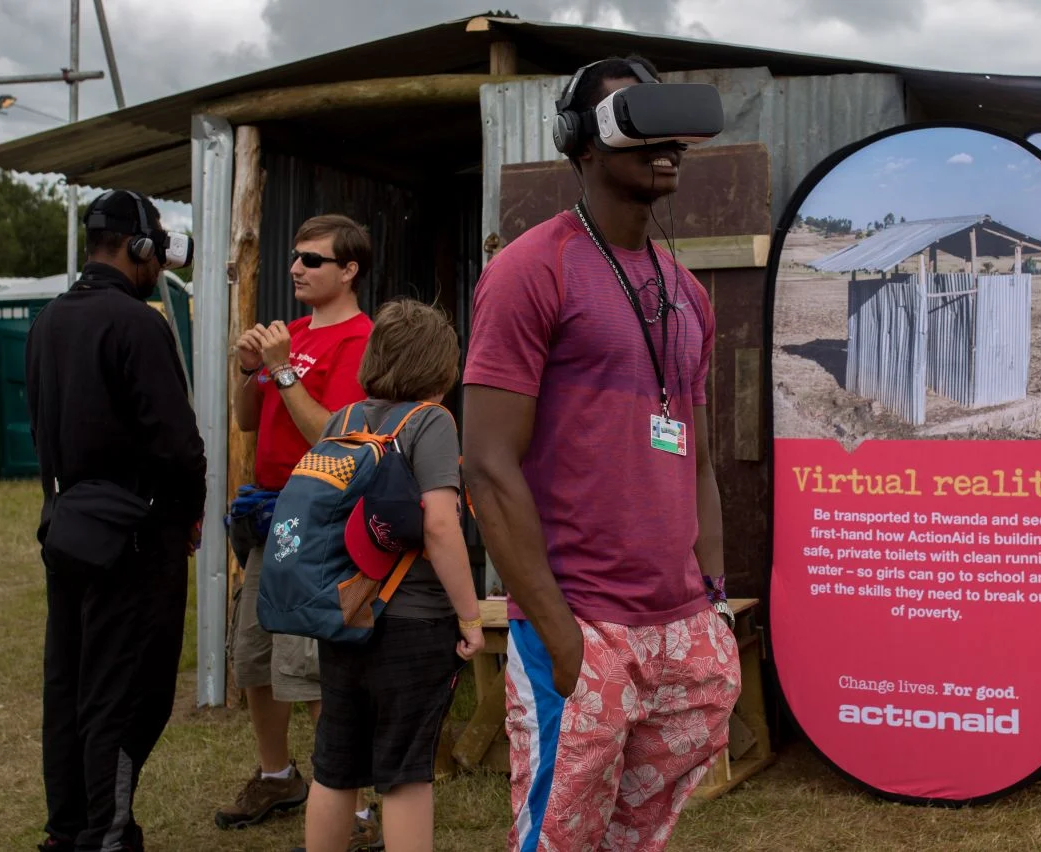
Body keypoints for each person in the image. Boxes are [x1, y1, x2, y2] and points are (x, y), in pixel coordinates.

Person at [461, 56, 741, 852]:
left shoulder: (686, 292)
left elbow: (698, 459)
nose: (666, 143)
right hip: (581, 621)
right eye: (634, 118)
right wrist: (558, 634)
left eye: (670, 125)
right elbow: (486, 462)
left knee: (637, 838)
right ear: (579, 143)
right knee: (556, 838)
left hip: (680, 627)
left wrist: (713, 604)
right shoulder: (531, 271)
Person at [27, 189, 206, 852]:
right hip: (136, 539)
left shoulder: (49, 321)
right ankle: (106, 833)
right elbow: (178, 445)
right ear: (139, 250)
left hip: (69, 529)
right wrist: (189, 512)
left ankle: (68, 828)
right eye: (156, 250)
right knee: (127, 694)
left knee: (70, 685)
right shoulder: (137, 324)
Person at [298, 297, 485, 852]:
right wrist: (471, 617)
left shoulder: (343, 419)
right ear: (441, 366)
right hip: (415, 621)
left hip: (347, 613)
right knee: (405, 771)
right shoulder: (431, 421)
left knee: (336, 764)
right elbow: (440, 527)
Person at [216, 214, 378, 844]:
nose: (297, 269)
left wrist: (283, 370)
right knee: (253, 652)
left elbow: (334, 439)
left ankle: (354, 803)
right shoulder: (298, 333)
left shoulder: (360, 341)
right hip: (268, 513)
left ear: (349, 270)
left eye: (313, 260)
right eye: (295, 258)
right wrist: (249, 368)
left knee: (310, 663)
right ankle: (278, 775)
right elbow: (247, 420)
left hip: (318, 521)